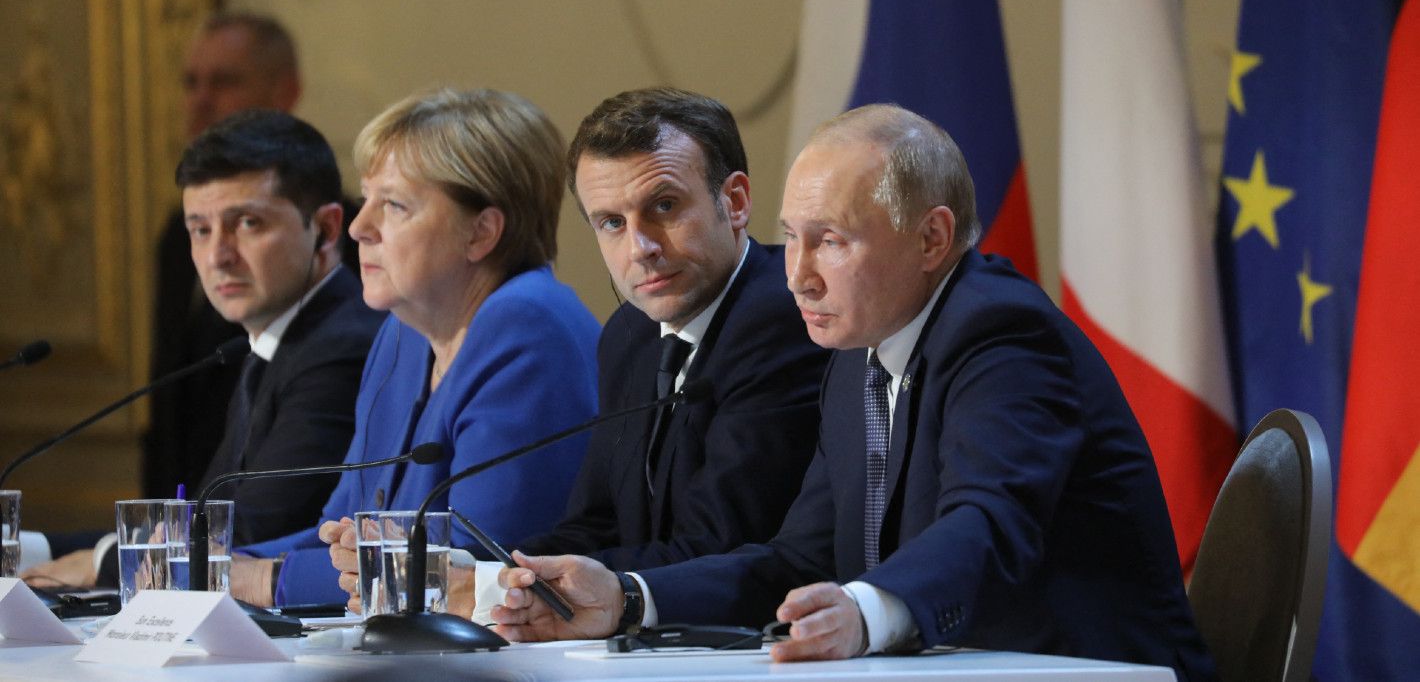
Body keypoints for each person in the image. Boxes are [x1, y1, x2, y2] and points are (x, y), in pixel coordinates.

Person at [489, 104, 1218, 682]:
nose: (799, 274)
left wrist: (865, 611)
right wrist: (626, 599)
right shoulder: (856, 355)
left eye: (832, 240)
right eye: (792, 238)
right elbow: (795, 561)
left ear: (932, 240)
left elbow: (993, 521)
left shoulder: (1001, 333)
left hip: (1088, 672)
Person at [324, 87, 830, 617]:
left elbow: (716, 543)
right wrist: (479, 575)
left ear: (735, 202)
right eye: (611, 222)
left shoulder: (782, 320)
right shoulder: (630, 333)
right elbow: (595, 522)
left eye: (664, 206)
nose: (641, 248)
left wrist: (501, 586)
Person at [231, 88, 600, 607]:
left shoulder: (530, 327)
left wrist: (266, 581)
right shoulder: (402, 334)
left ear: (481, 233)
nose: (360, 227)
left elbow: (475, 567)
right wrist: (222, 564)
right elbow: (335, 533)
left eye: (394, 205)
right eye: (367, 197)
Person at [22, 110, 382, 585]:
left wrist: (101, 563)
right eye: (200, 229)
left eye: (248, 223)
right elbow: (202, 519)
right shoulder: (273, 339)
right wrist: (31, 548)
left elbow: (248, 532)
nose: (217, 256)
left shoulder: (340, 346)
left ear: (327, 229)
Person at [144, 13, 308, 500]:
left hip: (262, 507)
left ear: (286, 92)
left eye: (224, 82)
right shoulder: (176, 234)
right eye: (191, 82)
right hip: (182, 511)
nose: (201, 100)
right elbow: (168, 397)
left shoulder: (332, 230)